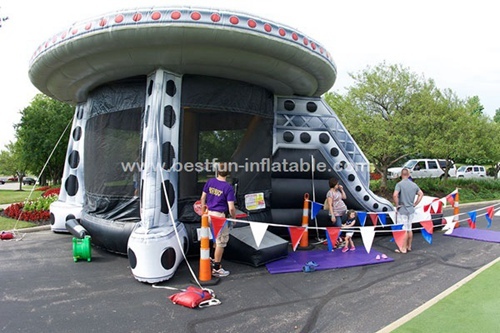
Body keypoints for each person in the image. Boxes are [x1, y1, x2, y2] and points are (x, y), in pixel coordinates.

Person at [200, 162, 236, 277]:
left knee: (215, 238)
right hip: (219, 216)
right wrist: (233, 218)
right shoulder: (228, 187)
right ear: (228, 173)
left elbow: (202, 198)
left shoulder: (210, 182)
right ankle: (216, 267)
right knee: (221, 241)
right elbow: (231, 208)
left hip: (209, 214)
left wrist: (203, 211)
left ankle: (212, 259)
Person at [392, 168, 424, 253]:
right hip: (411, 209)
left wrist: (397, 204)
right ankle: (409, 246)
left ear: (401, 175)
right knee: (409, 228)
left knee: (404, 229)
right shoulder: (414, 185)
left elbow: (395, 195)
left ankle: (403, 248)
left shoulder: (399, 184)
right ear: (409, 175)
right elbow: (421, 194)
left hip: (402, 209)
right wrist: (415, 203)